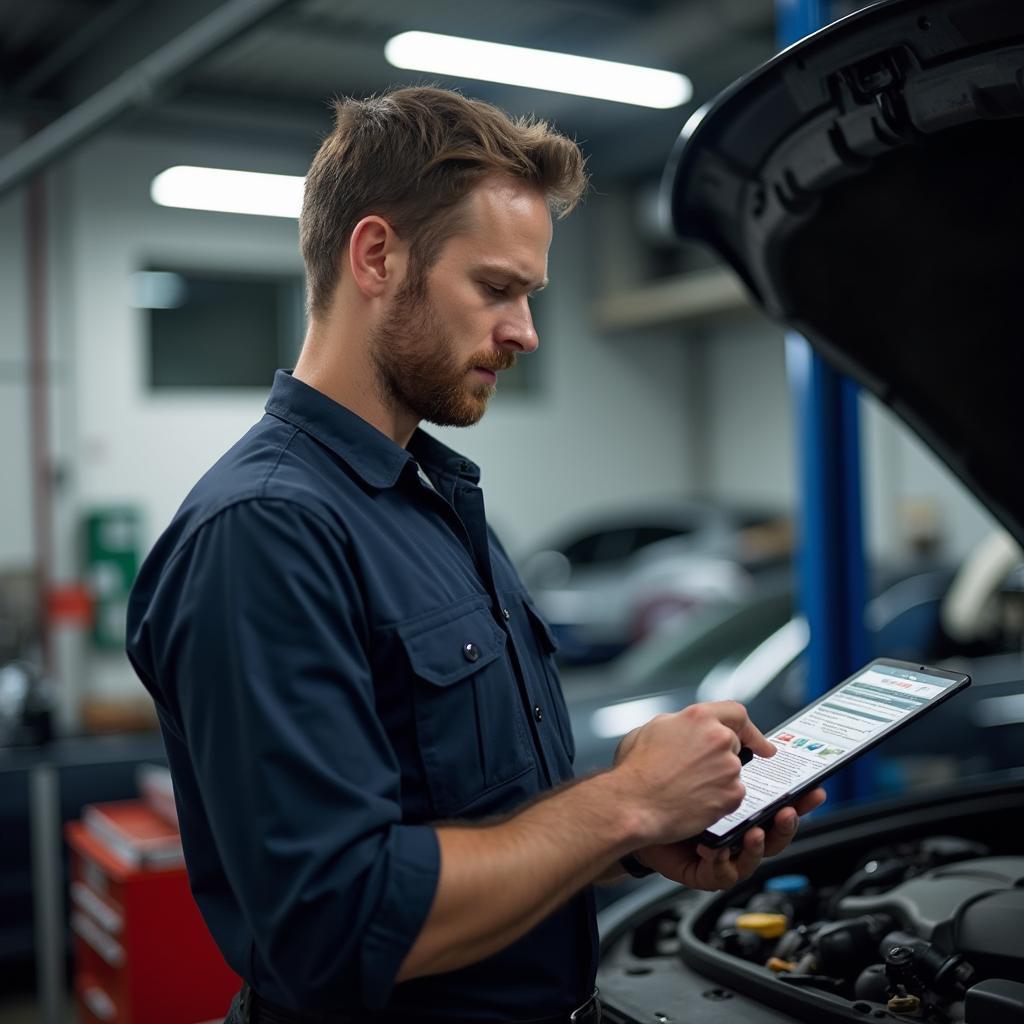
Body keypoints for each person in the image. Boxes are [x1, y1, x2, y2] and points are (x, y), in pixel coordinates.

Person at [126, 86, 825, 1024]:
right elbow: (341, 923)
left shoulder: (435, 505)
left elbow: (469, 823)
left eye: (528, 297)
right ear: (377, 256)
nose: (525, 332)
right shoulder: (263, 532)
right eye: (495, 289)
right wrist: (623, 803)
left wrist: (638, 836)